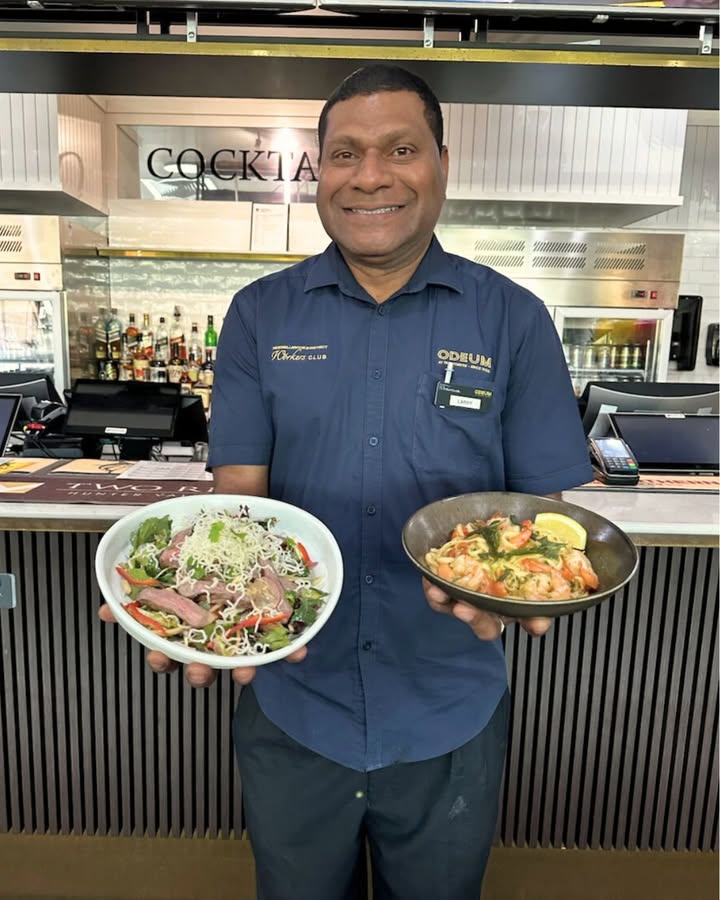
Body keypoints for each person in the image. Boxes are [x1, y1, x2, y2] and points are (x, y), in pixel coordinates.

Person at [101, 64, 593, 900]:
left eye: (400, 149)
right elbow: (239, 504)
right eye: (344, 154)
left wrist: (515, 592)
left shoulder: (512, 319)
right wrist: (190, 604)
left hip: (447, 703)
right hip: (296, 697)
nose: (369, 176)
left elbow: (539, 519)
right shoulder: (261, 314)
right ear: (319, 172)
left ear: (442, 163)